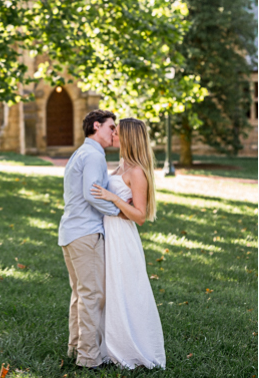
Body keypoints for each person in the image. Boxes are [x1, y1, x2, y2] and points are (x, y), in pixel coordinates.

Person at [91, 118, 166, 369]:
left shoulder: (136, 172)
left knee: (126, 290)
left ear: (129, 137)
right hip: (109, 233)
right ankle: (111, 346)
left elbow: (141, 216)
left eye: (117, 132)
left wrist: (113, 198)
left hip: (123, 238)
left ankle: (133, 349)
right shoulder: (122, 165)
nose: (112, 134)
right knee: (110, 290)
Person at [57, 109, 121, 369]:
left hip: (70, 233)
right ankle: (89, 358)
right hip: (85, 234)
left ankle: (75, 349)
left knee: (81, 295)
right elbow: (92, 194)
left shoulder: (80, 153)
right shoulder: (94, 154)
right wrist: (119, 211)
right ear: (96, 126)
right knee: (92, 296)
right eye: (111, 127)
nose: (114, 133)